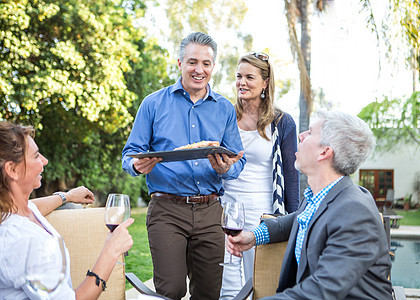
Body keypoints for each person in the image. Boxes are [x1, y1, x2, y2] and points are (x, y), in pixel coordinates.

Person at [121, 32, 246, 300]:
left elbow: (238, 160)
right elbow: (129, 155)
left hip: (211, 211)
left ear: (213, 67)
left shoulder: (224, 108)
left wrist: (227, 169)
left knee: (209, 293)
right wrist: (136, 165)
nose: (199, 70)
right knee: (172, 290)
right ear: (179, 63)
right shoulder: (153, 104)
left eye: (206, 63)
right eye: (192, 62)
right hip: (167, 210)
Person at [227, 111, 393, 299]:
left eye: (310, 133)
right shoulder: (318, 197)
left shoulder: (355, 212)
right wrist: (254, 236)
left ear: (325, 152)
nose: (301, 135)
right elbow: (299, 219)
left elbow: (322, 290)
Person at [0, 122, 134, 300]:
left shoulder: (17, 210)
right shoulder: (23, 241)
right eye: (36, 156)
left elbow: (35, 206)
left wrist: (67, 196)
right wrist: (111, 251)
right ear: (12, 170)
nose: (44, 160)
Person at [220, 52, 299, 299]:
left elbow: (291, 177)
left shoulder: (282, 122)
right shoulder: (225, 117)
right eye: (239, 77)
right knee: (227, 282)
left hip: (263, 211)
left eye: (249, 77)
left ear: (265, 83)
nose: (242, 82)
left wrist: (292, 224)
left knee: (262, 282)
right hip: (226, 210)